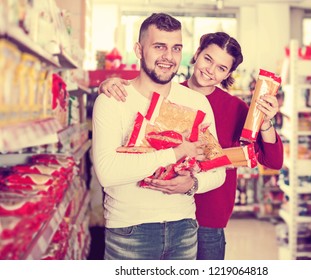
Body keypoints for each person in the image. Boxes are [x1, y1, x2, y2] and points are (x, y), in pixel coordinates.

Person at [98, 32, 284, 260]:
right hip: (167, 214)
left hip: (208, 219)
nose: (210, 70)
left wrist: (265, 123)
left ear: (228, 74)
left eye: (221, 68)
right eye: (208, 59)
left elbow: (273, 161)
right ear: (196, 54)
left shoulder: (235, 108)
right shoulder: (166, 93)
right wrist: (111, 83)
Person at [92, 13, 225, 260]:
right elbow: (107, 172)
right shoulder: (112, 100)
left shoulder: (197, 103)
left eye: (176, 48)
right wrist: (174, 153)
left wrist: (193, 185)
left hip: (184, 227)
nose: (168, 56)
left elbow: (218, 171)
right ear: (139, 50)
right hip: (129, 230)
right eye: (159, 47)